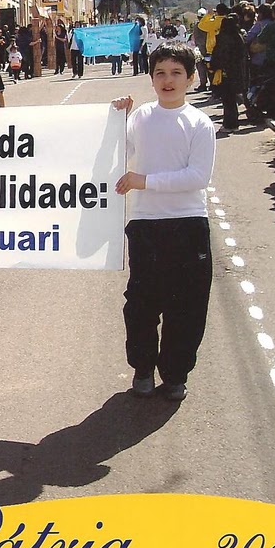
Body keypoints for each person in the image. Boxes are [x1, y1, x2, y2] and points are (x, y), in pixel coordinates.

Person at [113, 41, 217, 402]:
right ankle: (142, 369)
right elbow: (117, 151)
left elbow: (198, 176)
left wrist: (145, 181)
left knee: (186, 307)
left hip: (189, 225)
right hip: (146, 224)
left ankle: (175, 374)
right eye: (160, 73)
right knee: (140, 304)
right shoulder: (141, 117)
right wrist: (117, 118)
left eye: (176, 73)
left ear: (190, 78)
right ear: (151, 78)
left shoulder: (200, 123)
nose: (167, 80)